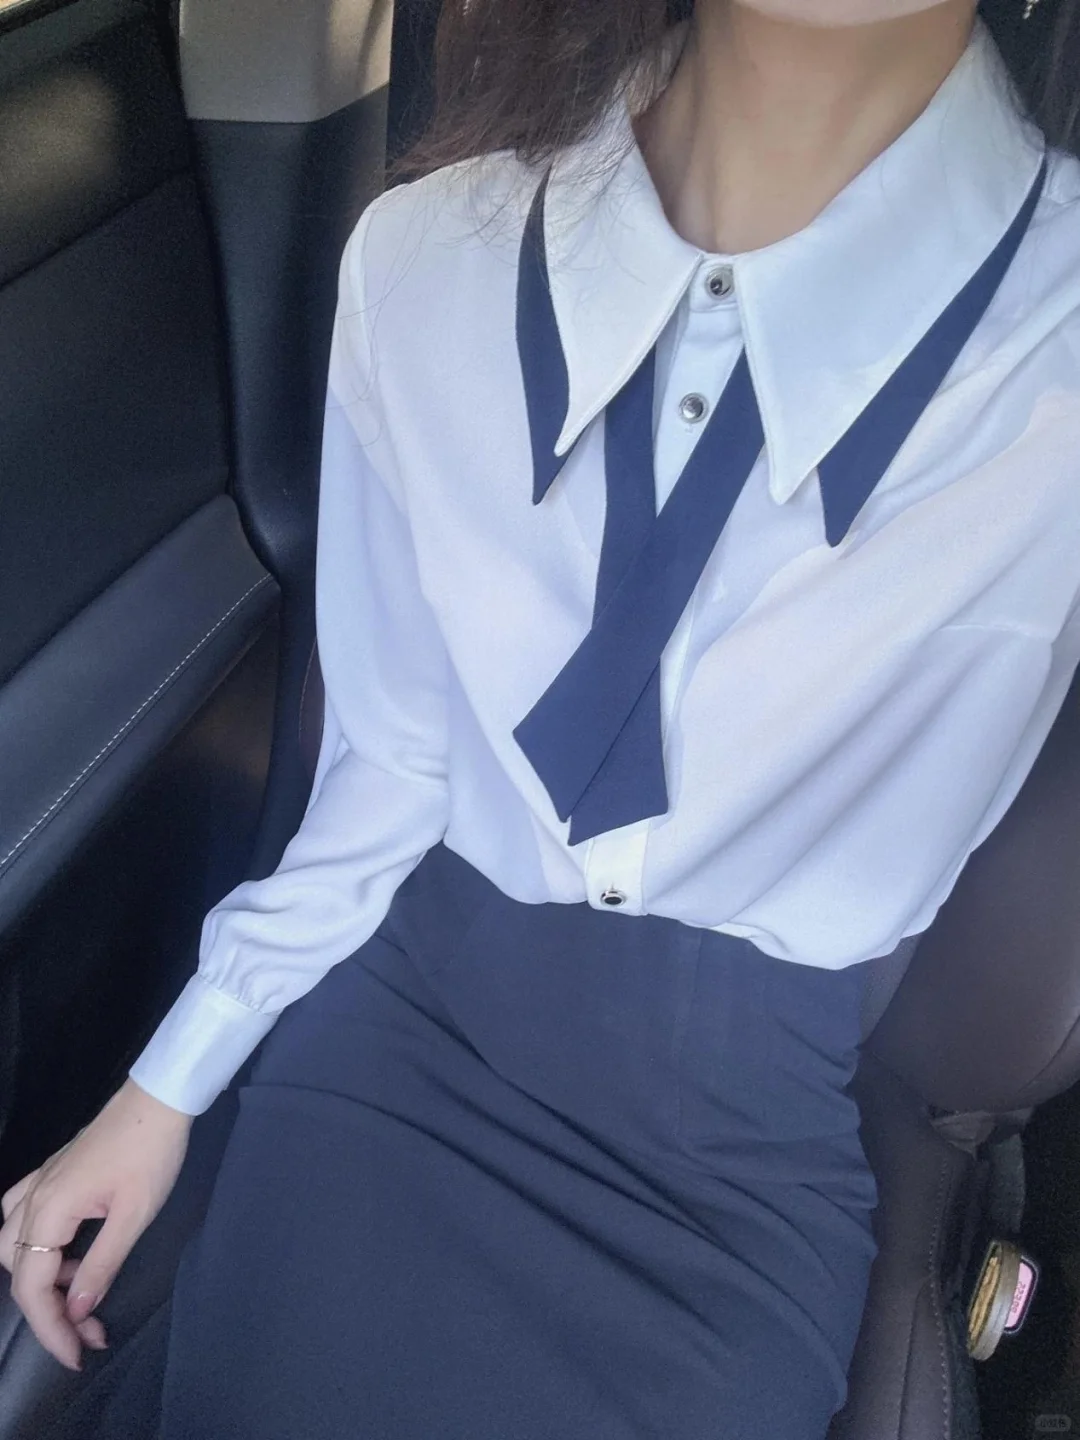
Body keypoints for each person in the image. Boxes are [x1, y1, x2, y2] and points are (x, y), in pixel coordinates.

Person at [4, 0, 1080, 1435]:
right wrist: (168, 1080)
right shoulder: (425, 259)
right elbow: (394, 757)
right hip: (396, 1038)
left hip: (724, 1169)